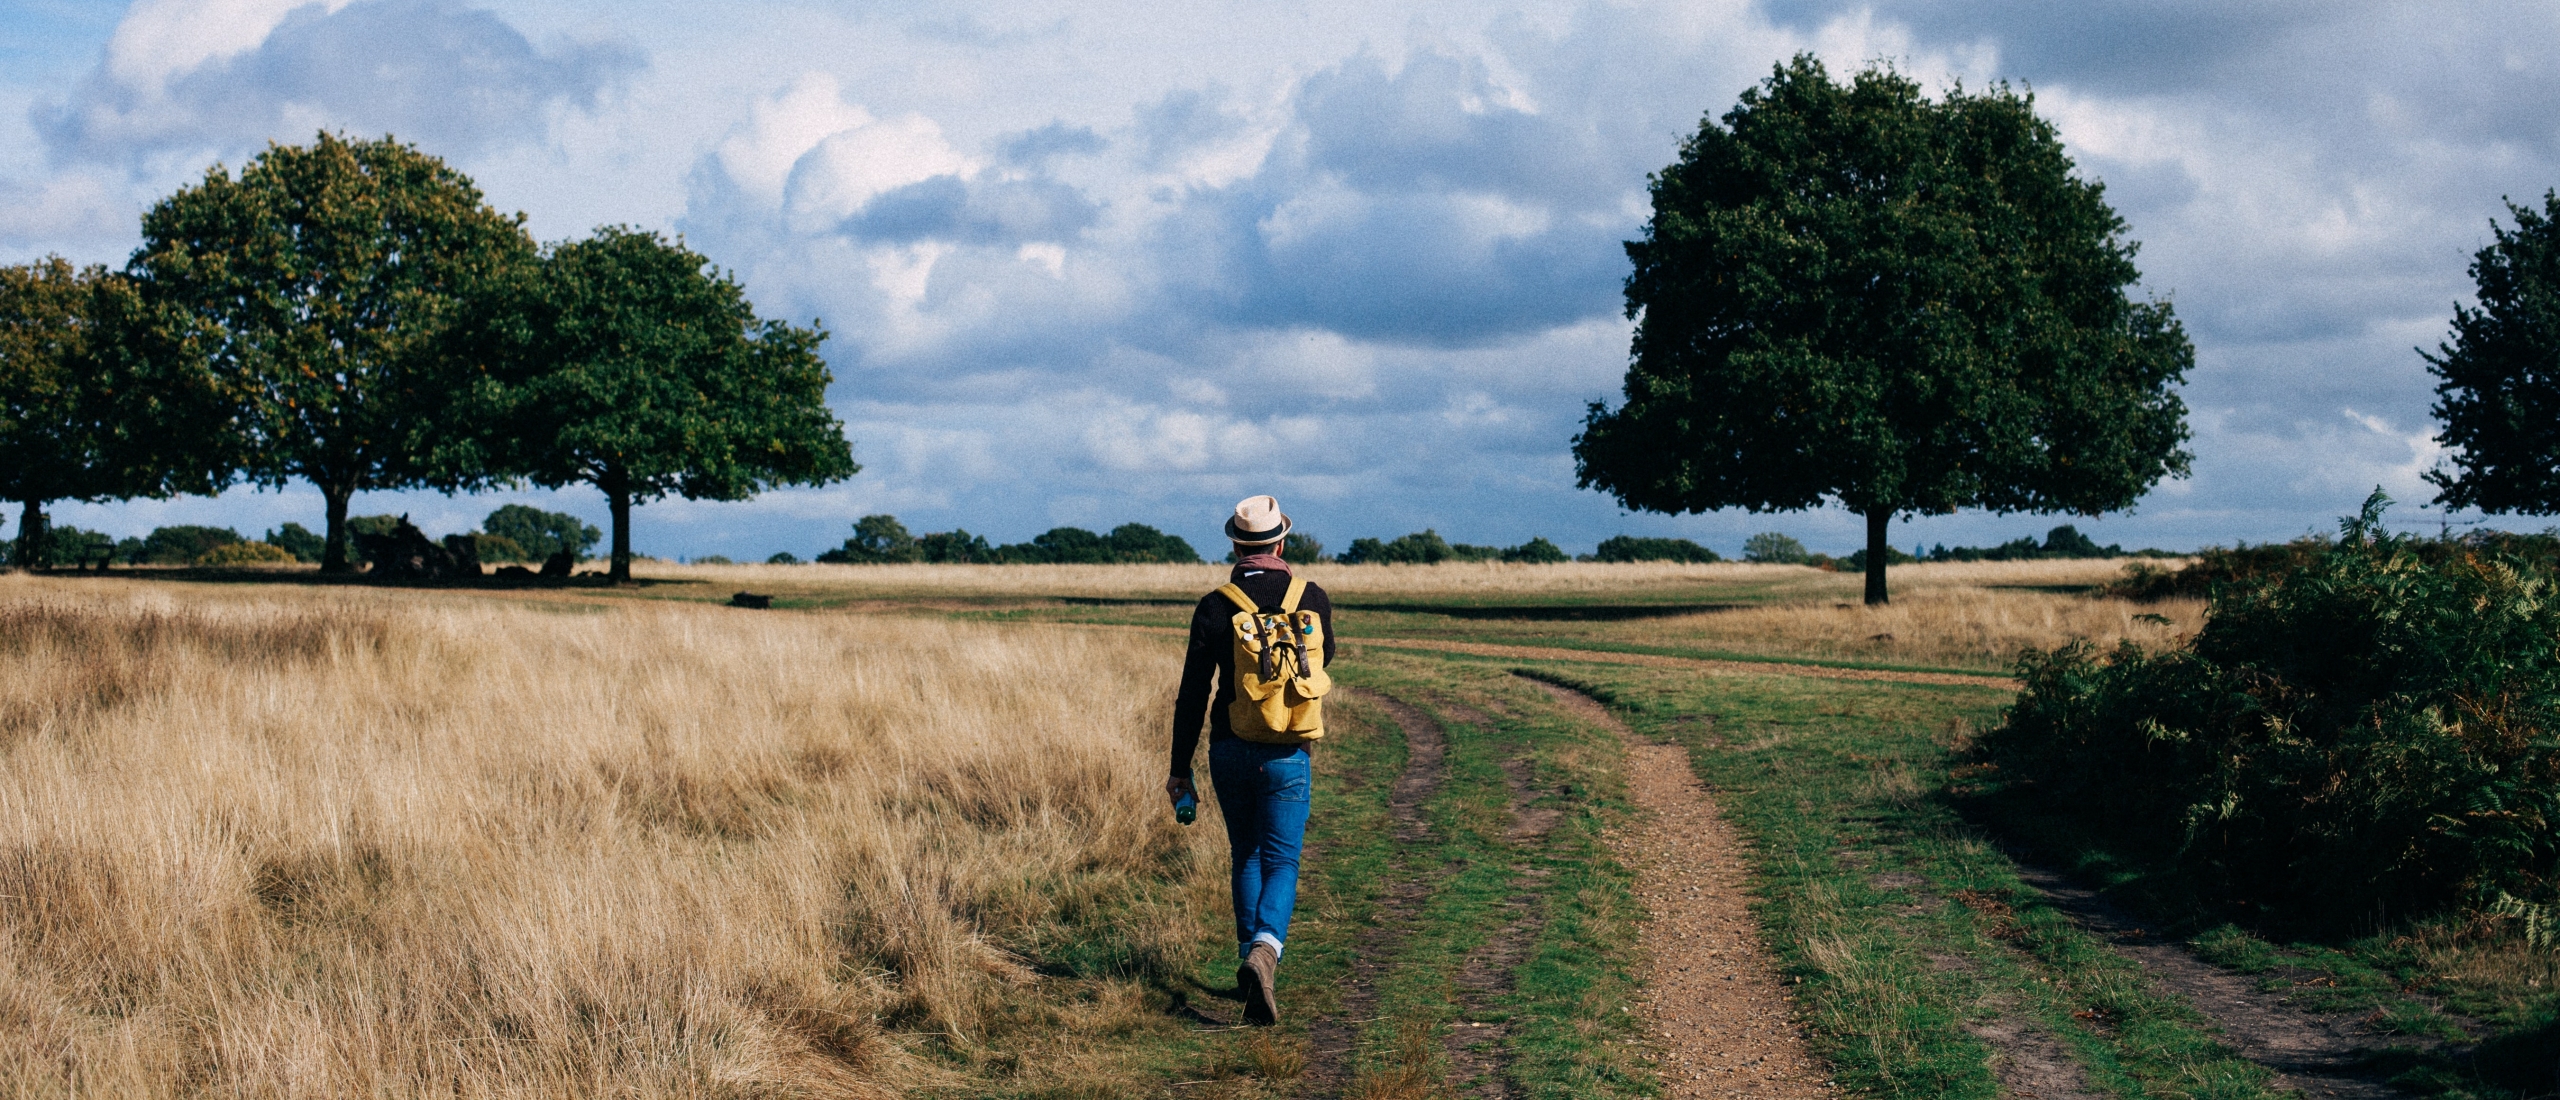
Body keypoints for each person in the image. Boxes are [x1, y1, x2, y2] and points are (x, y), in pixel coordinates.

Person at [1167, 494, 1337, 1025]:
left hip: (1229, 747)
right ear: (1282, 542)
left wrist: (1178, 768)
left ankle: (1250, 965)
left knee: (1246, 854)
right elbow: (1321, 660)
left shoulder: (1215, 605)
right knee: (1283, 859)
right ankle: (1266, 952)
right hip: (1289, 749)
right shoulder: (1313, 597)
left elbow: (1193, 693)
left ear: (1237, 546)